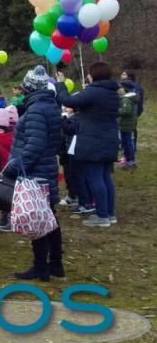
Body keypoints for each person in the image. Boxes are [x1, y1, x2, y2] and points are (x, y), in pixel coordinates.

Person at [3, 66, 63, 281]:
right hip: (46, 168)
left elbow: (34, 147)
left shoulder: (37, 110)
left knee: (38, 219)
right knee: (49, 218)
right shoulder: (49, 105)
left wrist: (13, 166)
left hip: (36, 173)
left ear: (29, 88)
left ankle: (41, 268)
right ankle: (56, 264)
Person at [55, 63, 119, 228]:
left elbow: (68, 100)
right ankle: (110, 214)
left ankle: (102, 215)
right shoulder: (113, 92)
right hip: (109, 138)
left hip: (93, 141)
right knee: (105, 177)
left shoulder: (94, 91)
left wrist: (60, 83)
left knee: (96, 177)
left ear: (94, 75)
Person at [0, 106, 16, 232]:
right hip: (9, 168)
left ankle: (11, 220)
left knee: (7, 195)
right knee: (7, 194)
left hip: (5, 168)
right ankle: (4, 217)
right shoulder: (11, 135)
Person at [120, 70, 145, 150]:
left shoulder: (132, 87)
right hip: (134, 112)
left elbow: (139, 101)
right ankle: (131, 146)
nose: (121, 75)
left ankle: (129, 147)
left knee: (128, 130)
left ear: (129, 76)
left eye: (124, 74)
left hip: (130, 112)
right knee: (132, 129)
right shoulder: (138, 86)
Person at [117, 81, 138, 169]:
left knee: (127, 143)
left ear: (125, 89)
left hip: (125, 125)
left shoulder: (126, 99)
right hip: (128, 124)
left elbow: (126, 111)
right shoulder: (131, 97)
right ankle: (129, 160)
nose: (119, 89)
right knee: (127, 142)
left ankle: (129, 161)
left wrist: (117, 110)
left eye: (121, 87)